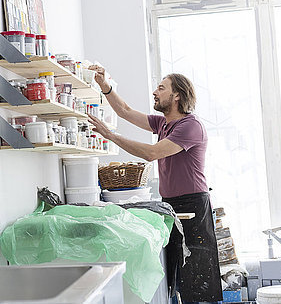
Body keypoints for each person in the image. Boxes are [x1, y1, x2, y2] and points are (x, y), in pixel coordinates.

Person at [87, 65, 222, 304]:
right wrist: (104, 84)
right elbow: (125, 111)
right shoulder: (163, 124)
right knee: (176, 278)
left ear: (177, 95)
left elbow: (152, 153)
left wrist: (111, 136)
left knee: (196, 280)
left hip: (193, 207)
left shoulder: (190, 126)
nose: (155, 92)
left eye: (161, 88)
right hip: (170, 205)